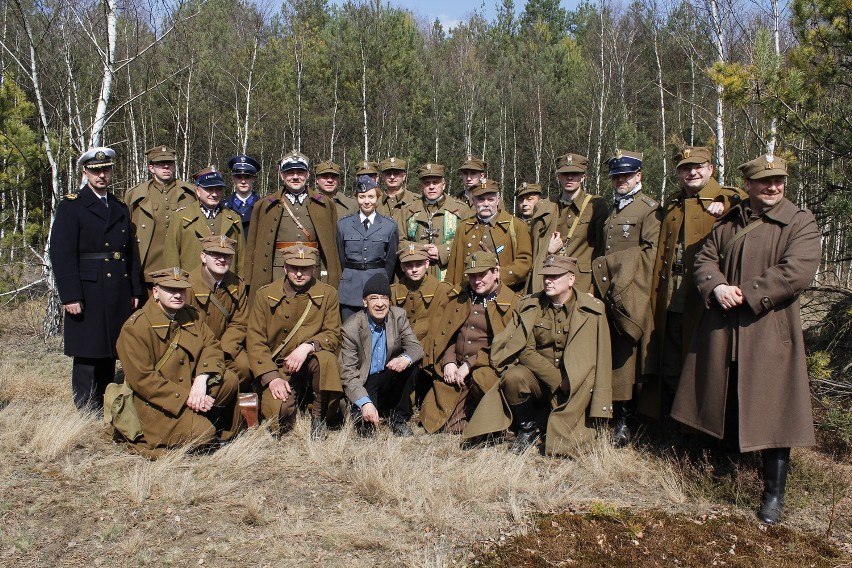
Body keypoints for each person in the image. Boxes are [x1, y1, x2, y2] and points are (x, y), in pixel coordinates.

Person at [672, 154, 820, 525]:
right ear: (749, 186)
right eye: (764, 182)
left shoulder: (800, 222)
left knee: (774, 410)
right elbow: (705, 259)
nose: (773, 187)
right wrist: (717, 286)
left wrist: (746, 293)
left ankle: (774, 495)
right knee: (724, 396)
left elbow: (796, 271)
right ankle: (721, 469)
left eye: (779, 181)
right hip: (725, 329)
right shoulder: (729, 221)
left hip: (769, 329)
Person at [463, 256, 612, 455]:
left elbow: (602, 357)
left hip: (577, 383)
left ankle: (551, 423)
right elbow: (524, 349)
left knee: (574, 441)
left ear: (571, 279)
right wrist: (558, 380)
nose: (548, 281)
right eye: (545, 277)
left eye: (555, 276)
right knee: (513, 377)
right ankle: (527, 427)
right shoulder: (529, 306)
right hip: (540, 378)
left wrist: (601, 405)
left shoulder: (593, 309)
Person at [639, 146, 745, 420]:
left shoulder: (728, 198)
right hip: (673, 292)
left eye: (698, 166)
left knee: (704, 361)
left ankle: (702, 426)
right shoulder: (673, 203)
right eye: (686, 168)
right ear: (678, 173)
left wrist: (726, 200)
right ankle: (676, 423)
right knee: (672, 357)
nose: (692, 172)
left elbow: (749, 199)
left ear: (711, 169)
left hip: (706, 295)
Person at [50, 146, 143, 411]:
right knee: (87, 350)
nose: (102, 175)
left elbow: (130, 253)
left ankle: (104, 404)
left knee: (110, 350)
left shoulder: (119, 207)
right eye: (96, 171)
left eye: (106, 170)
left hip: (117, 288)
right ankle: (84, 409)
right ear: (85, 172)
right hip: (88, 287)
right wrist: (70, 295)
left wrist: (135, 289)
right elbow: (62, 252)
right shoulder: (72, 206)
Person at [116, 267, 241, 458]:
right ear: (155, 292)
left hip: (188, 388)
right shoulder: (136, 328)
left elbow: (212, 346)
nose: (177, 295)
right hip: (155, 404)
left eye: (181, 290)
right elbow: (143, 381)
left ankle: (197, 422)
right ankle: (160, 439)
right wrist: (186, 397)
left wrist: (202, 378)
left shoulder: (190, 315)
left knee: (229, 380)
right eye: (170, 289)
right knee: (204, 433)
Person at [592, 149, 660, 447]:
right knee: (612, 353)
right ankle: (612, 412)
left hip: (632, 292)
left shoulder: (649, 210)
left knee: (629, 357)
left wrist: (617, 271)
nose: (620, 180)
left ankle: (627, 419)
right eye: (616, 176)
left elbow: (651, 253)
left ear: (639, 176)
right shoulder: (612, 210)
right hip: (610, 292)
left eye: (626, 175)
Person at [246, 245, 343, 437]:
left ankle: (318, 417)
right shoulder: (265, 295)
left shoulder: (328, 294)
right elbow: (255, 341)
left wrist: (308, 346)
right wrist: (272, 378)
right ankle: (293, 402)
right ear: (285, 268)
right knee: (280, 413)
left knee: (326, 360)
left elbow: (333, 333)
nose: (299, 273)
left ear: (314, 269)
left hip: (310, 362)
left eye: (305, 268)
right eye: (293, 268)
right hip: (280, 368)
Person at [419, 252, 518, 434]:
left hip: (485, 369)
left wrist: (470, 364)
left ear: (496, 272)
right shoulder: (460, 296)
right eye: (472, 276)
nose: (476, 281)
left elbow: (506, 347)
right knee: (438, 422)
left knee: (480, 384)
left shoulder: (512, 303)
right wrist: (448, 361)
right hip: (455, 366)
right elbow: (448, 333)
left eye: (482, 275)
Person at [245, 150, 341, 296]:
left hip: (312, 272)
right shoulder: (264, 205)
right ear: (282, 175)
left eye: (300, 172)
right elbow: (252, 247)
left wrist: (332, 276)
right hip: (277, 273)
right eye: (290, 172)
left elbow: (332, 247)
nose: (295, 177)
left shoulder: (325, 205)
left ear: (308, 174)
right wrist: (248, 279)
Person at [340, 274, 424, 437]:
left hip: (388, 375)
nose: (380, 304)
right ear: (365, 302)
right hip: (365, 381)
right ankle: (369, 407)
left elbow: (416, 347)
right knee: (366, 431)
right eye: (374, 298)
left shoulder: (398, 316)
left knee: (411, 364)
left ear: (389, 301)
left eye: (384, 298)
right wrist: (365, 403)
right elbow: (348, 374)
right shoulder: (351, 327)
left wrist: (404, 359)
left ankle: (398, 418)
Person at [528, 152, 607, 294]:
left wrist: (593, 289)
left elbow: (601, 251)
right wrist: (547, 249)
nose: (570, 177)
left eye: (575, 174)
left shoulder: (595, 205)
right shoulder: (545, 206)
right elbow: (533, 246)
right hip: (550, 281)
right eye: (565, 174)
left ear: (583, 177)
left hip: (581, 284)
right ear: (558, 177)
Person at [125, 146, 197, 287]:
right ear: (151, 168)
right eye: (160, 163)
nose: (166, 167)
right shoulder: (135, 195)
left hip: (182, 267)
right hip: (147, 270)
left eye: (169, 163)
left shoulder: (191, 194)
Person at [185, 235, 250, 389]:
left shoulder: (237, 284)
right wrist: (208, 353)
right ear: (203, 256)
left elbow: (240, 322)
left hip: (225, 347)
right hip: (196, 348)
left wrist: (221, 351)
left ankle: (224, 404)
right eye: (215, 254)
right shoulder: (188, 285)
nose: (222, 259)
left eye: (227, 256)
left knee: (244, 368)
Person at [444, 178, 532, 292]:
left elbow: (525, 262)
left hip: (504, 294)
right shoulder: (463, 227)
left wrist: (500, 273)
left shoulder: (516, 226)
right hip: (469, 296)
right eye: (481, 200)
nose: (486, 204)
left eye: (490, 199)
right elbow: (453, 267)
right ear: (474, 201)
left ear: (498, 200)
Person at [391, 243, 453, 402]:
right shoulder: (392, 292)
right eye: (409, 265)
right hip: (402, 352)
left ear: (427, 264)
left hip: (431, 354)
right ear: (402, 267)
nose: (414, 269)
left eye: (419, 264)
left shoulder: (443, 291)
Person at [337, 175, 399, 321]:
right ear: (356, 198)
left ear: (377, 197)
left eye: (371, 197)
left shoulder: (389, 225)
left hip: (377, 285)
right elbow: (340, 257)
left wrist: (382, 280)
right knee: (349, 331)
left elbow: (390, 261)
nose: (366, 201)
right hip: (350, 288)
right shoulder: (343, 225)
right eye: (362, 196)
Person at [164, 166, 245, 277]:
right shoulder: (181, 217)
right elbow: (171, 256)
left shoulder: (234, 218)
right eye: (209, 189)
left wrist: (240, 286)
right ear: (197, 190)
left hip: (226, 286)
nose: (215, 194)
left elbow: (241, 259)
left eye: (218, 189)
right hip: (192, 284)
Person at [398, 163, 471, 281]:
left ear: (443, 185)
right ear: (420, 187)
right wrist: (420, 249)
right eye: (427, 183)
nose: (431, 187)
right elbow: (399, 242)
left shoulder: (461, 210)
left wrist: (443, 251)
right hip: (415, 278)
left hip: (450, 277)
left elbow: (469, 242)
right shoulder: (407, 211)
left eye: (435, 182)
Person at [222, 154, 261, 235]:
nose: (243, 181)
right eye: (239, 177)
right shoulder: (223, 206)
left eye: (247, 177)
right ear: (233, 178)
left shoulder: (262, 205)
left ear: (254, 178)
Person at [376, 157, 417, 221]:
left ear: (404, 177)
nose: (392, 177)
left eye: (396, 173)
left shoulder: (416, 201)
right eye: (388, 174)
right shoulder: (375, 202)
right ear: (383, 177)